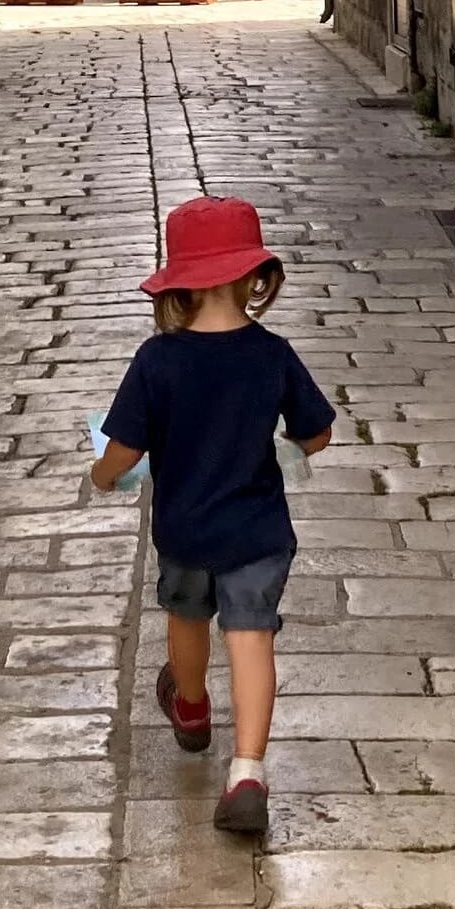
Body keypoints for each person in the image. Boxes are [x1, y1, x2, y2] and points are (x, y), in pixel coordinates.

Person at [88, 194, 335, 838]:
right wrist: (288, 447)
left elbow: (125, 449)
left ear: (181, 284)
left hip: (186, 529)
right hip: (258, 530)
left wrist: (102, 475)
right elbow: (317, 433)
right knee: (252, 638)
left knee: (187, 618)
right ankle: (247, 772)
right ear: (256, 278)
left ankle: (192, 708)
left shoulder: (157, 360)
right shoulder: (273, 353)